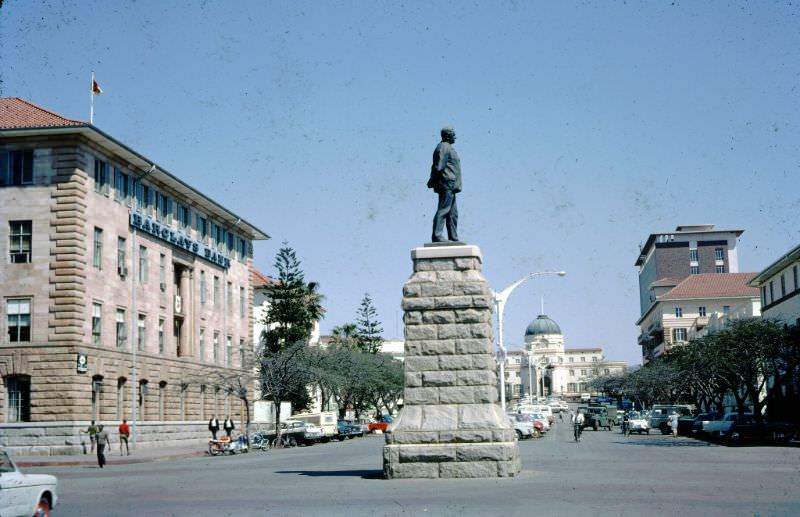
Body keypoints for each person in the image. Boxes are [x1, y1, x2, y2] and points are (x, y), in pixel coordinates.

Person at [427, 126, 462, 243]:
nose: (455, 137)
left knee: (453, 213)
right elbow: (438, 167)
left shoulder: (447, 147)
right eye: (453, 134)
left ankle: (453, 236)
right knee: (443, 210)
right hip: (447, 183)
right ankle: (437, 235)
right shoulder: (443, 147)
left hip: (451, 185)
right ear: (447, 135)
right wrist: (432, 180)